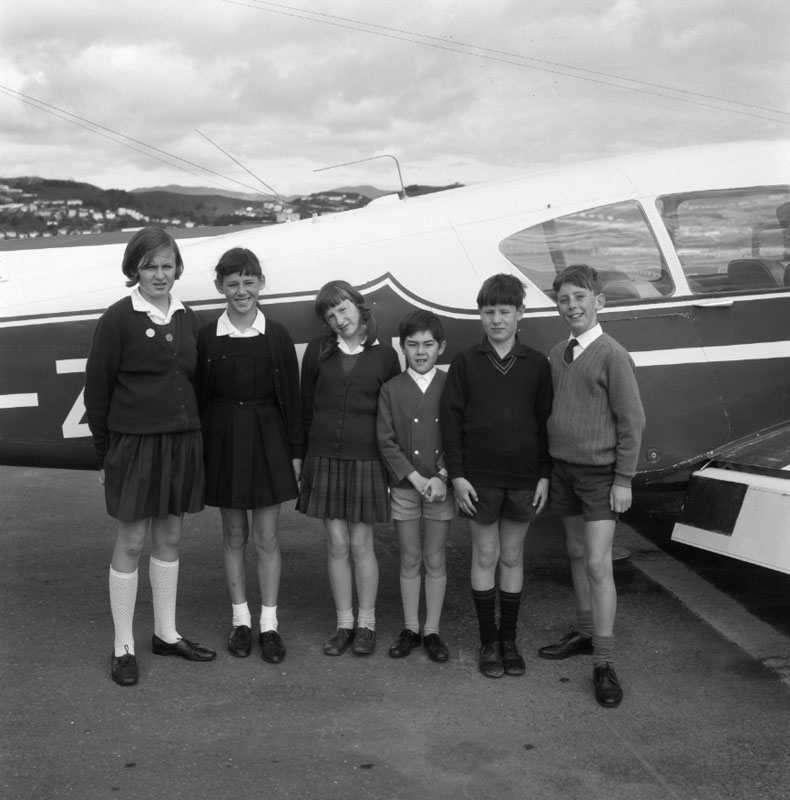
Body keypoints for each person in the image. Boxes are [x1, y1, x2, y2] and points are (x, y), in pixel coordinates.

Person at [84, 226, 216, 688]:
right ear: (134, 269)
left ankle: (165, 632)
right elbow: (97, 391)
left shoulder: (185, 316)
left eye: (167, 266)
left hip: (180, 440)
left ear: (177, 269)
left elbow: (192, 380)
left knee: (171, 537)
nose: (160, 275)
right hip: (134, 443)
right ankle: (123, 645)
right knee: (132, 542)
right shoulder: (118, 318)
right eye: (150, 266)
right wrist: (105, 455)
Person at [538, 264, 645, 709]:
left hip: (601, 475)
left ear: (599, 301)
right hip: (564, 470)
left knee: (599, 564)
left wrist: (623, 478)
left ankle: (603, 660)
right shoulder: (558, 352)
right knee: (577, 554)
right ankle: (584, 631)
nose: (572, 306)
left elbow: (632, 420)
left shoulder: (612, 353)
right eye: (563, 299)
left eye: (580, 297)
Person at [440, 273, 552, 678]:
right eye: (489, 312)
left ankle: (509, 639)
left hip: (523, 478)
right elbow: (450, 423)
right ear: (480, 315)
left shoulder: (537, 364)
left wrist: (544, 475)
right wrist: (457, 475)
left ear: (520, 313)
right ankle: (488, 640)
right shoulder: (466, 363)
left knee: (511, 556)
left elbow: (544, 424)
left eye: (505, 311)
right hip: (478, 479)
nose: (497, 319)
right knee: (484, 555)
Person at [194, 248, 302, 663]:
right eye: (233, 283)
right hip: (223, 436)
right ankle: (241, 620)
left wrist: (295, 453)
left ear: (260, 283)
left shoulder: (276, 335)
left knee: (267, 536)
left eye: (248, 282)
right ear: (220, 287)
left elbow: (290, 400)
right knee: (234, 534)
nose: (241, 291)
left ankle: (269, 625)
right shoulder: (207, 337)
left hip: (267, 436)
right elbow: (201, 398)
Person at [298, 280, 400, 656]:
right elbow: (306, 405)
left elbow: (391, 416)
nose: (339, 320)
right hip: (324, 457)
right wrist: (302, 456)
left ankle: (367, 624)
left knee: (361, 544)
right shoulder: (317, 352)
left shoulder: (385, 356)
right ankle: (343, 624)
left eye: (343, 310)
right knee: (337, 544)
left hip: (368, 460)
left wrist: (392, 468)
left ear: (358, 306)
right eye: (330, 315)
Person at [377, 310, 454, 663]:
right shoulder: (391, 389)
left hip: (441, 485)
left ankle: (432, 630)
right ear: (401, 347)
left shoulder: (452, 385)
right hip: (407, 485)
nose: (420, 352)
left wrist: (441, 475)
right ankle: (410, 627)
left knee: (435, 557)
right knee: (409, 557)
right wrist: (415, 477)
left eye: (427, 344)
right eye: (412, 345)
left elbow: (460, 435)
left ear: (441, 347)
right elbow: (386, 440)